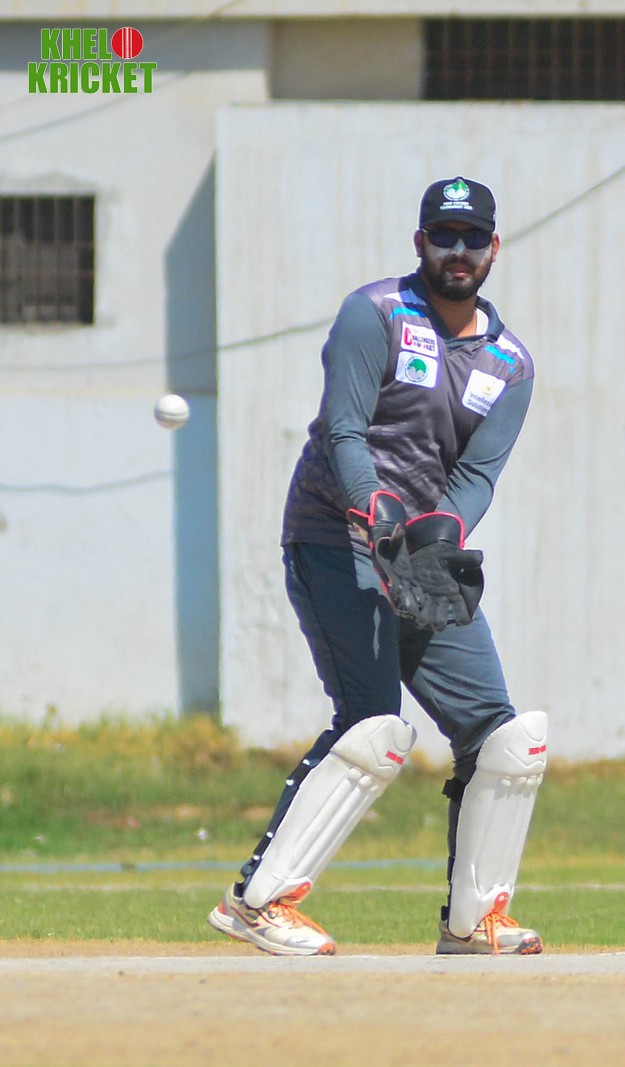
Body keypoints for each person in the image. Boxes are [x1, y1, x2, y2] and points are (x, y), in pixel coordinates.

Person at [208, 176, 548, 956]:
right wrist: (374, 505)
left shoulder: (510, 364)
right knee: (374, 722)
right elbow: (344, 430)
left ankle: (473, 921)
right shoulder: (377, 314)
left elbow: (478, 474)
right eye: (444, 235)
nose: (458, 251)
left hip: (419, 553)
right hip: (336, 535)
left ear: (494, 249)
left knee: (502, 736)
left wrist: (442, 528)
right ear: (420, 242)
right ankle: (258, 901)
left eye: (472, 238)